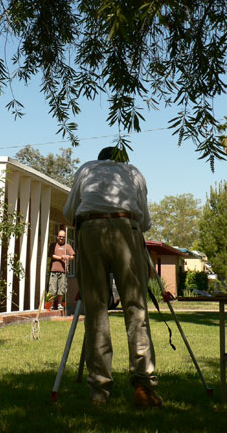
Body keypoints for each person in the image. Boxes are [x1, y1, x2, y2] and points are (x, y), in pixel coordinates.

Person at [63, 146, 162, 408]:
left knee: (95, 310)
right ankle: (143, 386)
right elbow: (145, 221)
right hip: (125, 227)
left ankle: (99, 391)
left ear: (99, 159)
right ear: (123, 160)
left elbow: (69, 211)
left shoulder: (86, 169)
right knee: (135, 307)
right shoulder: (133, 172)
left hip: (90, 227)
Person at [48, 230, 75, 310]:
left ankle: (59, 304)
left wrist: (68, 257)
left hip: (63, 271)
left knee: (62, 288)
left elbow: (73, 256)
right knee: (52, 289)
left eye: (63, 237)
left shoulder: (68, 246)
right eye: (60, 236)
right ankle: (52, 304)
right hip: (53, 270)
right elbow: (50, 255)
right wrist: (60, 258)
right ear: (57, 237)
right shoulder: (53, 245)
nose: (61, 238)